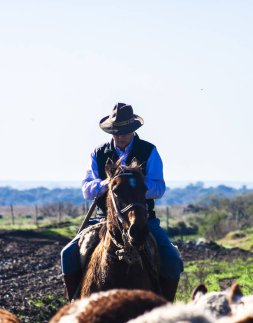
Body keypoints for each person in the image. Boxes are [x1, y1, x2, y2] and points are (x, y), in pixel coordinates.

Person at [61, 103, 183, 302]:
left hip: (143, 219)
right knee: (68, 254)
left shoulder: (149, 151)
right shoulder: (98, 153)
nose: (120, 136)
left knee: (171, 258)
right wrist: (108, 184)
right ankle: (74, 305)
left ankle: (165, 306)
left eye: (124, 132)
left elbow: (159, 188)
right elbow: (86, 189)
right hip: (104, 220)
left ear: (133, 130)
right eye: (116, 132)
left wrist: (133, 185)